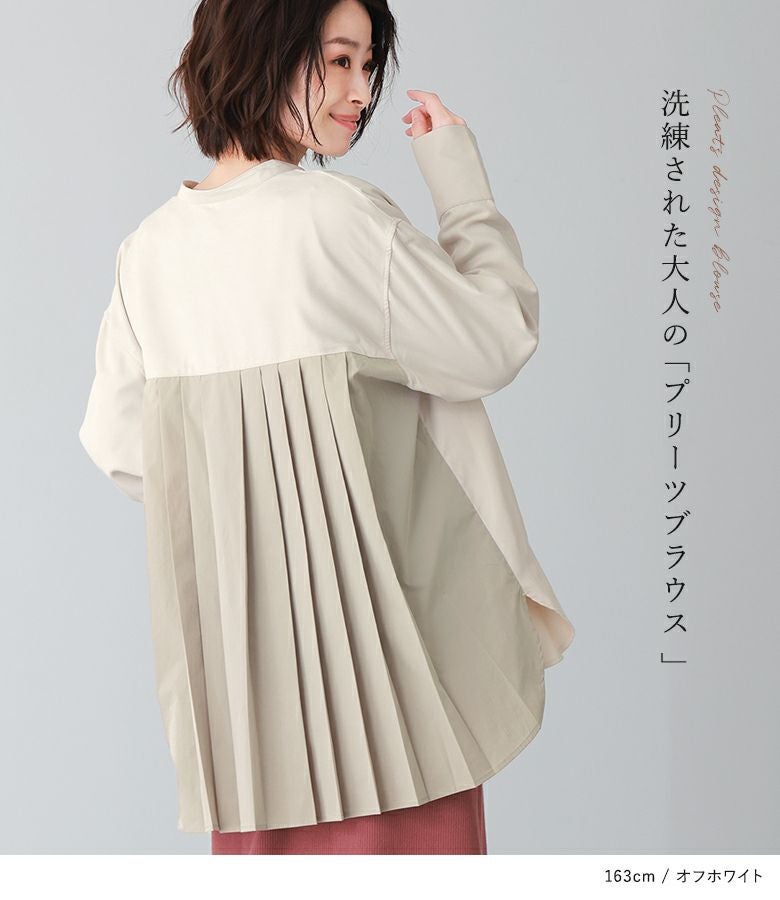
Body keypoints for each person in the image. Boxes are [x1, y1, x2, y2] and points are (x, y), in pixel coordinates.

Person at [78, 0, 575, 855]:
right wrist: (462, 190)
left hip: (250, 719)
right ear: (264, 51)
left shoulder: (147, 255)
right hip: (386, 690)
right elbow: (496, 340)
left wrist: (250, 517)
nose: (362, 90)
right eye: (340, 60)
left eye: (368, 64)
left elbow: (121, 446)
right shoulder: (341, 219)